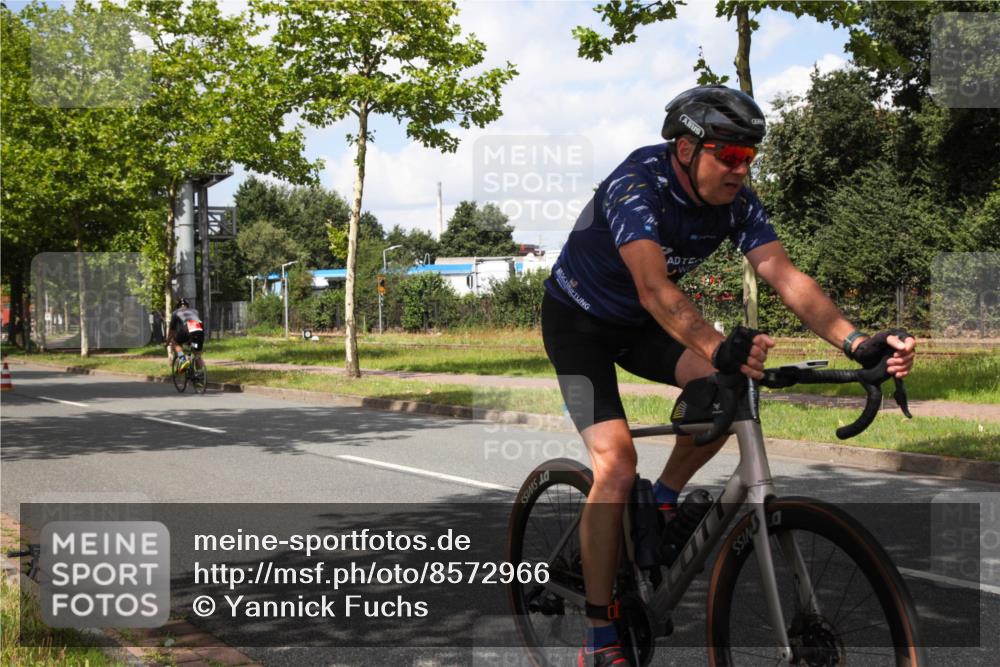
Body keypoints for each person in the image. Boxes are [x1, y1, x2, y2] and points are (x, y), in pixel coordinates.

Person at [540, 85, 916, 667]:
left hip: (643, 326)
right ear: (686, 149)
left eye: (751, 157)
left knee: (726, 395)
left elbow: (783, 274)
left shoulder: (737, 203)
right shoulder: (636, 183)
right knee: (616, 465)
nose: (742, 170)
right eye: (730, 156)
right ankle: (598, 634)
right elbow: (654, 287)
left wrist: (855, 338)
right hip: (579, 323)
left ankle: (662, 504)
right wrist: (718, 346)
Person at [165, 298, 205, 374]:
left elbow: (172, 332)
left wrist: (167, 343)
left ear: (178, 306)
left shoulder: (175, 312)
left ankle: (183, 360)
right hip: (199, 331)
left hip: (187, 330)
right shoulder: (195, 311)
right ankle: (200, 375)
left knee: (175, 342)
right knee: (197, 354)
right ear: (188, 305)